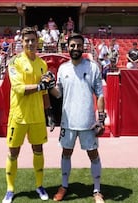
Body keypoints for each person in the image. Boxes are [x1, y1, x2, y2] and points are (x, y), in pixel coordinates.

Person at [47, 33, 106, 203]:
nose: (75, 48)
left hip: (88, 122)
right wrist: (48, 86)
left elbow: (100, 95)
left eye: (79, 45)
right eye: (72, 45)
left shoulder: (93, 67)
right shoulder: (63, 68)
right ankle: (64, 186)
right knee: (66, 153)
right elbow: (58, 94)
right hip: (68, 121)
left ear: (83, 47)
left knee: (93, 154)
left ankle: (97, 190)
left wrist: (101, 119)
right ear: (68, 47)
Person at [2, 26, 53, 203]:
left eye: (33, 40)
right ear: (22, 42)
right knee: (13, 152)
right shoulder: (14, 62)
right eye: (27, 40)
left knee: (38, 150)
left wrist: (49, 113)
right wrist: (41, 86)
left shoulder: (42, 63)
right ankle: (10, 189)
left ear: (37, 41)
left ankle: (39, 186)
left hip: (37, 116)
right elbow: (18, 88)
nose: (30, 43)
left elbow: (45, 92)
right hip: (18, 116)